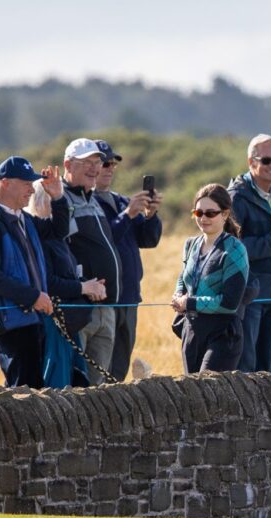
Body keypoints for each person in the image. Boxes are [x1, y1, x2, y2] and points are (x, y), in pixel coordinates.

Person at [0, 156, 68, 388]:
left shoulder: (24, 218)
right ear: (4, 183)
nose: (32, 189)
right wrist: (33, 297)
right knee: (24, 395)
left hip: (32, 320)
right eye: (25, 183)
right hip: (11, 324)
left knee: (31, 391)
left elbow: (58, 230)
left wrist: (58, 197)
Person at [92, 139, 163, 381]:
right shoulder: (85, 203)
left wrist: (151, 215)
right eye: (104, 163)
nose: (110, 167)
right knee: (99, 373)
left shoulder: (122, 201)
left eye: (112, 163)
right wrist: (128, 215)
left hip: (129, 298)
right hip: (103, 300)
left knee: (119, 371)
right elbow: (102, 241)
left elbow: (148, 239)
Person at [25, 178, 106, 388]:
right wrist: (84, 287)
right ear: (42, 202)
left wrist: (88, 284)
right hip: (52, 322)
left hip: (66, 323)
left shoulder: (54, 237)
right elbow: (48, 282)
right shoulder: (39, 238)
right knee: (57, 386)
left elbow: (65, 275)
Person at [60, 138, 123, 385]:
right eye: (87, 162)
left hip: (107, 306)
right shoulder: (60, 200)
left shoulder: (93, 198)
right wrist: (83, 284)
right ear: (67, 164)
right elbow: (59, 251)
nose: (95, 168)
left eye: (97, 162)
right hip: (80, 306)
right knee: (75, 385)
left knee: (98, 390)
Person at [228, 134, 271, 373]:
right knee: (247, 366)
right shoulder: (236, 197)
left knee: (267, 368)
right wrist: (269, 243)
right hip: (249, 297)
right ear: (251, 162)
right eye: (266, 160)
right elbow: (229, 249)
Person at [172, 184, 249, 374]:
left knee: (211, 391)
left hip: (223, 334)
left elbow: (230, 303)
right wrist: (178, 294)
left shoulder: (235, 250)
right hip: (191, 331)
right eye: (198, 213)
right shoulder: (191, 244)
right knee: (192, 396)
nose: (203, 218)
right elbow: (184, 277)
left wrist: (189, 302)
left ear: (225, 214)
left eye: (210, 213)